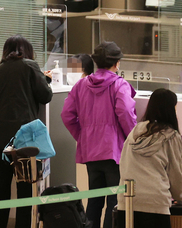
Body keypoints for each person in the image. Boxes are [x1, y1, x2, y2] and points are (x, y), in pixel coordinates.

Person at [61, 41, 137, 228]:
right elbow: (126, 112)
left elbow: (66, 114)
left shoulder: (81, 85)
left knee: (94, 200)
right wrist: (131, 139)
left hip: (90, 150)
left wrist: (82, 135)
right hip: (114, 152)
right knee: (114, 201)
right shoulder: (120, 85)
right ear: (117, 63)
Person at [0, 35, 53, 228]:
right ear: (27, 51)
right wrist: (46, 80)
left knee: (1, 184)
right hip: (23, 138)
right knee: (24, 186)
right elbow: (45, 96)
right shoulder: (30, 66)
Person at [117, 88, 182, 228]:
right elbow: (175, 175)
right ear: (170, 110)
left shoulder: (135, 132)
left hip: (127, 202)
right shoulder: (171, 136)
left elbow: (123, 164)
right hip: (155, 204)